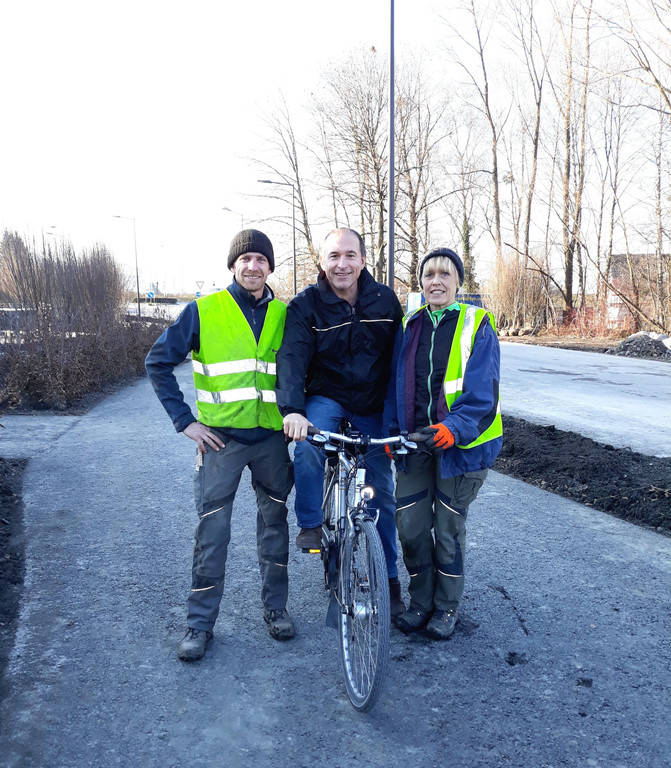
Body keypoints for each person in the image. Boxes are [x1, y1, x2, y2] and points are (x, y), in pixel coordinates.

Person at [145, 229, 294, 662]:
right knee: (212, 533)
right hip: (220, 441)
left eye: (261, 259)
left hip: (270, 439)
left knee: (275, 526)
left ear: (270, 267)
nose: (253, 266)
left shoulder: (285, 314)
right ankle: (199, 624)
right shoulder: (204, 310)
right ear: (233, 265)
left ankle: (276, 609)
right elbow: (157, 362)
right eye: (245, 259)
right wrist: (185, 422)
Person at [276, 227, 406, 619]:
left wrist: (396, 420)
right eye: (334, 256)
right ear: (322, 261)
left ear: (363, 260)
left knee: (381, 493)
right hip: (326, 397)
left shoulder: (385, 300)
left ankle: (389, 580)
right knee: (309, 445)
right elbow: (292, 358)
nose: (342, 264)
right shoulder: (306, 305)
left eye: (350, 255)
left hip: (371, 403)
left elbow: (399, 363)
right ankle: (311, 524)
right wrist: (292, 410)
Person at [383, 247, 502, 639]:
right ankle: (421, 603)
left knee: (447, 530)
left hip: (460, 448)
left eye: (445, 274)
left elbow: (483, 393)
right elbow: (394, 386)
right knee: (411, 526)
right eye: (429, 274)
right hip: (416, 442)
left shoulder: (477, 324)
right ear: (421, 282)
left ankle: (447, 607)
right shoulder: (409, 325)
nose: (436, 281)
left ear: (458, 282)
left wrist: (454, 428)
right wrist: (392, 431)